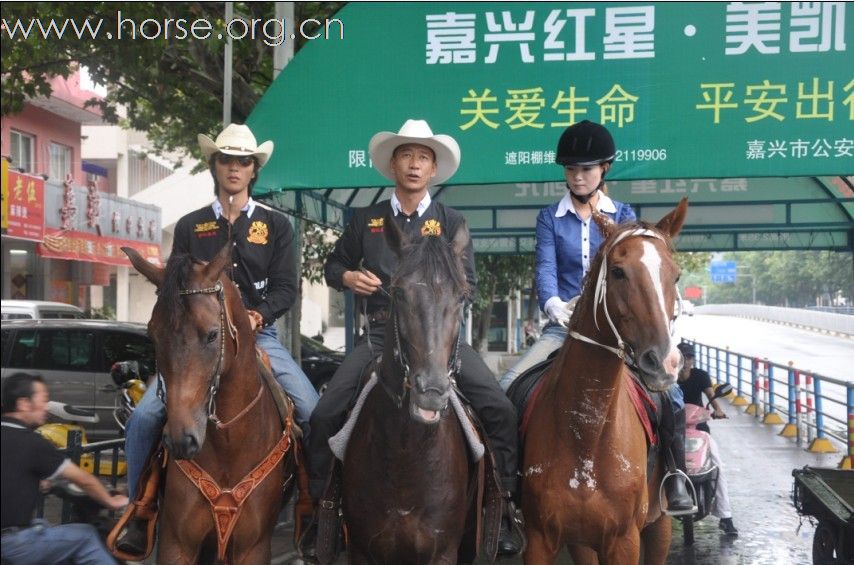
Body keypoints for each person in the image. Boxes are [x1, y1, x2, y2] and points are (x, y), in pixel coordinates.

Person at [305, 119, 521, 556]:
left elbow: (471, 285)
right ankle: (320, 514)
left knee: (499, 408)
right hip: (382, 335)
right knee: (325, 412)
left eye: (423, 157)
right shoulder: (365, 221)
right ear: (393, 164)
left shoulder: (451, 222)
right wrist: (348, 275)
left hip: (440, 337)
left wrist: (444, 297)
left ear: (434, 168)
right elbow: (333, 267)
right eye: (407, 155)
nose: (414, 164)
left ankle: (503, 511)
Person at [116, 123, 320, 555]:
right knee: (143, 418)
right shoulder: (191, 225)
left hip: (263, 340)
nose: (234, 168)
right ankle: (141, 507)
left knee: (313, 408)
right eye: (226, 160)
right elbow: (174, 289)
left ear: (253, 170)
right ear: (215, 166)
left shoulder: (276, 225)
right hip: (197, 344)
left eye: (242, 161)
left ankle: (313, 508)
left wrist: (258, 314)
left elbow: (286, 287)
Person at [497, 120, 694, 515]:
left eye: (586, 169)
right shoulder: (549, 218)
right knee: (505, 387)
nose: (577, 176)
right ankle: (508, 489)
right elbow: (545, 269)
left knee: (671, 393)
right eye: (570, 169)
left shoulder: (623, 214)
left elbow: (639, 270)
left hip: (618, 334)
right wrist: (555, 306)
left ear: (604, 169)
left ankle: (675, 476)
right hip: (564, 329)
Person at [2, 373, 128, 564]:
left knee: (44, 526)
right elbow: (83, 480)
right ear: (23, 404)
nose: (47, 407)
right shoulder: (32, 442)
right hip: (15, 543)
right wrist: (112, 502)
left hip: (12, 536)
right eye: (43, 400)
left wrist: (42, 484)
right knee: (86, 535)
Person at [677, 342, 739, 536]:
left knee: (718, 467)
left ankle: (726, 517)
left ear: (692, 359)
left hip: (699, 427)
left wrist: (718, 411)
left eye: (688, 358)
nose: (685, 362)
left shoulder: (701, 376)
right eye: (682, 357)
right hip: (674, 429)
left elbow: (711, 396)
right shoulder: (668, 378)